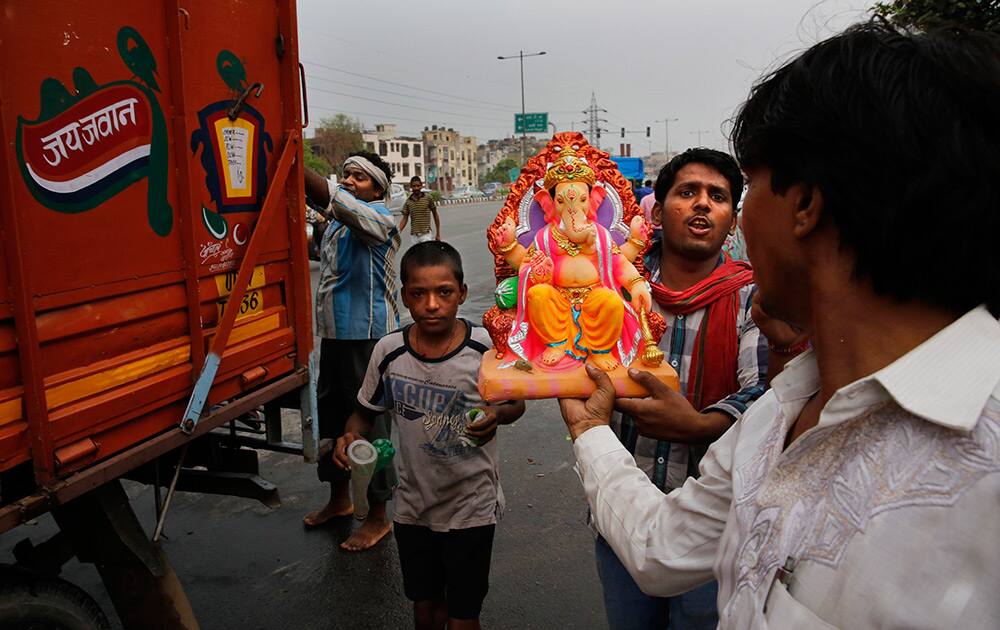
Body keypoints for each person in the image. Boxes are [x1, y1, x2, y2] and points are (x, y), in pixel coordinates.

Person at [560, 21, 1000, 629]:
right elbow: (662, 547)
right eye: (689, 193)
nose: (730, 216)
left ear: (805, 205)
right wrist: (590, 433)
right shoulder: (784, 408)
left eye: (745, 191)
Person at [591, 148, 770, 630]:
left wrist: (701, 425)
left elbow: (767, 392)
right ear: (658, 208)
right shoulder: (613, 291)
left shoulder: (753, 296)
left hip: (711, 531)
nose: (702, 205)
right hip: (623, 516)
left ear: (732, 220)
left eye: (718, 197)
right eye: (687, 192)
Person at [334, 241, 526, 630]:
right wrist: (350, 440)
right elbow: (362, 416)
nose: (432, 304)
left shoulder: (485, 348)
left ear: (462, 294)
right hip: (413, 509)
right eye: (418, 294)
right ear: (404, 296)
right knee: (424, 607)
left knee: (462, 615)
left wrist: (495, 414)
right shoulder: (389, 351)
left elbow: (516, 405)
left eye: (444, 292)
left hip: (472, 508)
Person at [302, 151, 401, 551]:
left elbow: (331, 198)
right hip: (335, 336)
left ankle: (379, 516)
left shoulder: (381, 218)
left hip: (369, 338)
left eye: (359, 177)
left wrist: (292, 161)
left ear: (377, 188)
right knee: (332, 417)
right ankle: (339, 500)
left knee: (369, 422)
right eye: (345, 174)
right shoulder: (338, 226)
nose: (349, 181)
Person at [493, 146, 651, 371]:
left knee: (612, 302)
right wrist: (510, 248)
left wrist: (636, 285)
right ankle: (556, 343)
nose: (573, 209)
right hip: (558, 298)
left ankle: (601, 349)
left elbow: (619, 264)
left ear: (592, 200)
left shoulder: (600, 236)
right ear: (550, 203)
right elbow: (525, 263)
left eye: (582, 200)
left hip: (594, 296)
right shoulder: (546, 237)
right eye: (562, 202)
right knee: (538, 294)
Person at [399, 176, 440, 243]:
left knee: (426, 253)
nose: (416, 188)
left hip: (426, 235)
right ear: (411, 187)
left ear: (421, 186)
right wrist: (398, 232)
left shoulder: (428, 198)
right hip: (414, 237)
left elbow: (435, 215)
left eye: (418, 186)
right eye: (414, 186)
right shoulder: (408, 201)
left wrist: (438, 233)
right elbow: (404, 219)